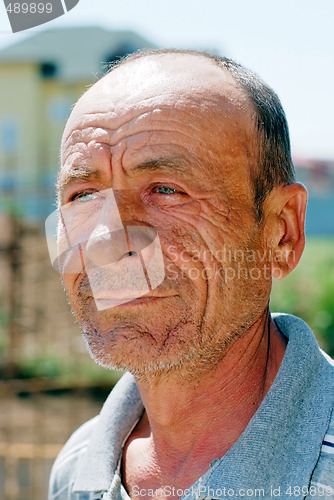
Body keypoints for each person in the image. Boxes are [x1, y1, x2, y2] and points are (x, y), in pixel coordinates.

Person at [48, 50, 334, 500]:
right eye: (83, 196)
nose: (108, 240)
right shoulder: (74, 470)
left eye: (166, 190)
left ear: (281, 232)